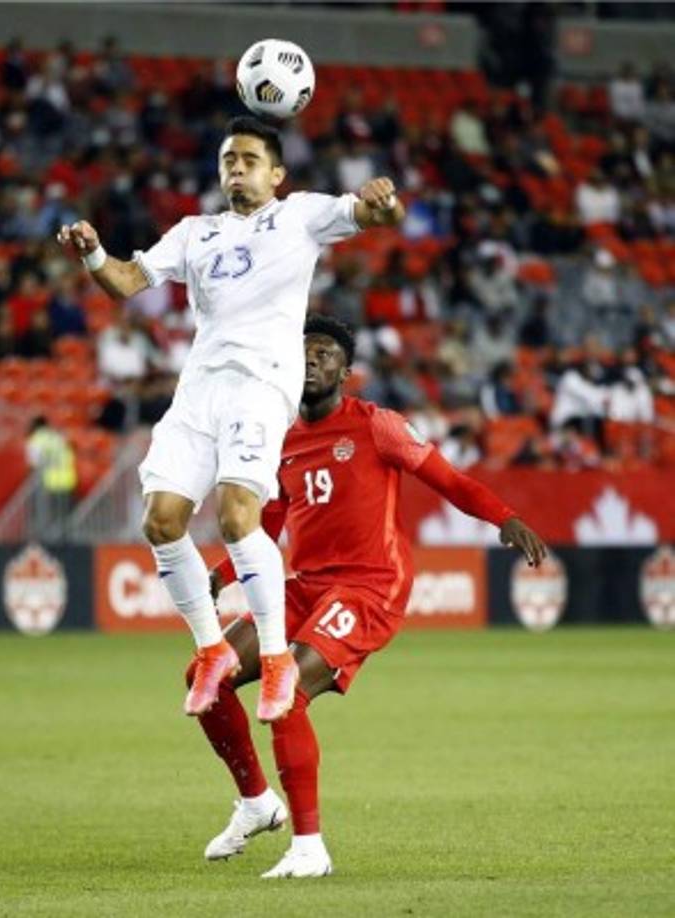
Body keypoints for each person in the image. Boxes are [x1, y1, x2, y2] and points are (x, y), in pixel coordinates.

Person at [57, 116, 405, 723]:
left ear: (276, 173)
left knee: (238, 514)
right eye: (228, 160)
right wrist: (92, 253)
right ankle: (213, 648)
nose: (236, 169)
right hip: (200, 392)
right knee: (161, 521)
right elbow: (125, 283)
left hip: (260, 386)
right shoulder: (194, 233)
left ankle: (274, 661)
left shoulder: (300, 215)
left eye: (248, 159)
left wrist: (385, 201)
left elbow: (376, 217)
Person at [190, 315, 546, 879]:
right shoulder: (280, 436)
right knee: (205, 678)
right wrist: (225, 571)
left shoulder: (377, 426)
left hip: (367, 586)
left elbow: (449, 479)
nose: (312, 361)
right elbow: (272, 520)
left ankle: (310, 848)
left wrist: (504, 518)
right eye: (304, 352)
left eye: (325, 353)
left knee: (286, 693)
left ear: (345, 370)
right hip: (304, 586)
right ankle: (257, 803)